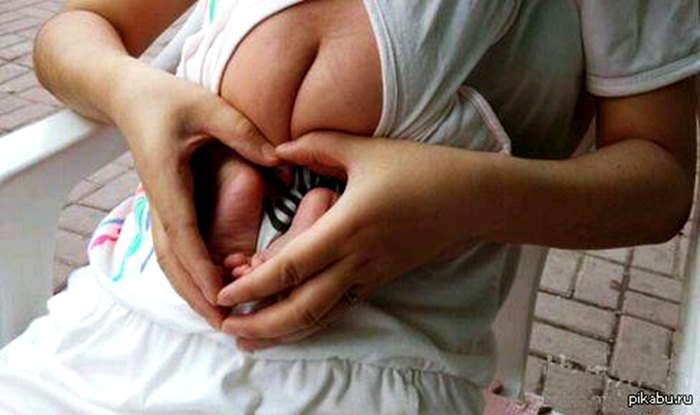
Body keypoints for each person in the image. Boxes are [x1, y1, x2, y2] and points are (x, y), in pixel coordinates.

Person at [0, 0, 697, 413]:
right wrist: (134, 93)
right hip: (103, 329)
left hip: (378, 373)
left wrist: (458, 196)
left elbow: (659, 181)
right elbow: (76, 28)